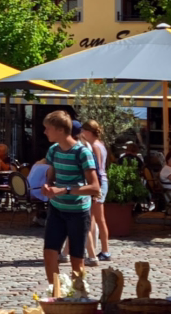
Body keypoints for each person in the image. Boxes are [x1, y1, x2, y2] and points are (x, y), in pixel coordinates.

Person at [40, 110, 100, 284]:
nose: (45, 132)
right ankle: (55, 293)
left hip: (78, 211)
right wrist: (48, 186)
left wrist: (64, 190)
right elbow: (51, 176)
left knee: (77, 259)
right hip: (57, 209)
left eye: (47, 128)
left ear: (60, 130)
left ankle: (77, 296)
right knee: (49, 253)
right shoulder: (53, 150)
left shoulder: (82, 153)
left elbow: (94, 187)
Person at [80, 120, 111, 264]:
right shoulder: (100, 144)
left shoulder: (95, 146)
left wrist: (94, 188)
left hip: (99, 182)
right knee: (96, 217)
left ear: (87, 132)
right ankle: (99, 249)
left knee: (96, 218)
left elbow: (96, 168)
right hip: (102, 182)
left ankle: (104, 250)